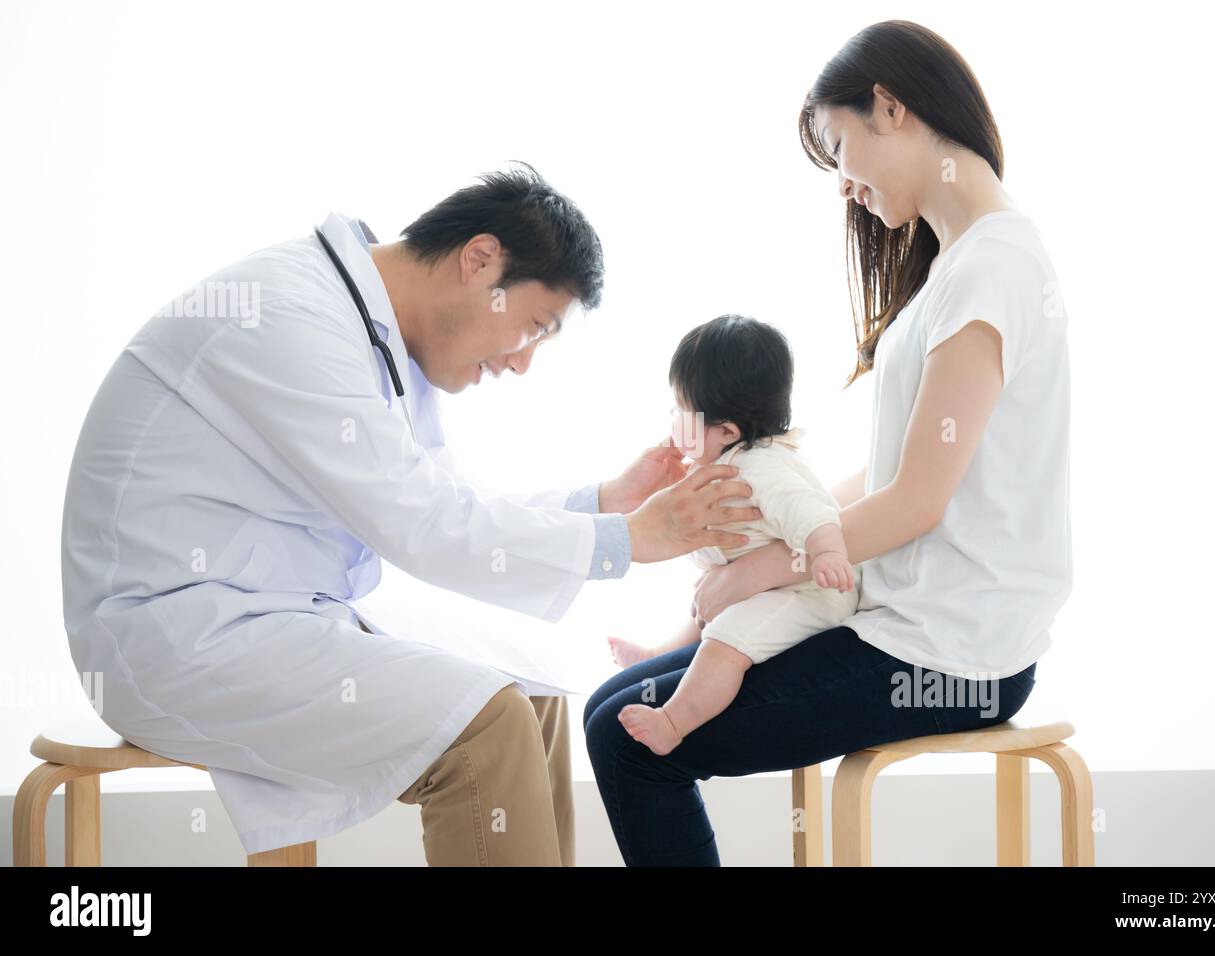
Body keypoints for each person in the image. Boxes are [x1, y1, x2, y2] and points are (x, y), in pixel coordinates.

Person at [60, 162, 762, 866]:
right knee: (485, 727)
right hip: (170, 636)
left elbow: (446, 504)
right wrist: (625, 540)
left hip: (266, 615)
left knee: (531, 691)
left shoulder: (370, 332)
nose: (522, 364)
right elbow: (426, 525)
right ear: (480, 260)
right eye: (534, 327)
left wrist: (605, 503)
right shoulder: (290, 316)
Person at [584, 19, 1071, 866]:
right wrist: (780, 521)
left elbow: (918, 502)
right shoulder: (959, 267)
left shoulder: (991, 269)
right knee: (610, 712)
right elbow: (893, 476)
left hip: (952, 650)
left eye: (838, 147)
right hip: (908, 622)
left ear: (889, 108)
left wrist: (764, 567)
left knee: (630, 742)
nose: (844, 186)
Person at [609, 315, 858, 755]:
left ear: (727, 431)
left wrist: (827, 553)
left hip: (808, 598)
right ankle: (658, 654)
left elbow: (812, 510)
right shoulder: (722, 463)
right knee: (704, 602)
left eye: (682, 412)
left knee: (725, 642)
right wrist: (669, 488)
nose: (673, 420)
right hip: (758, 588)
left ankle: (673, 721)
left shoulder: (765, 467)